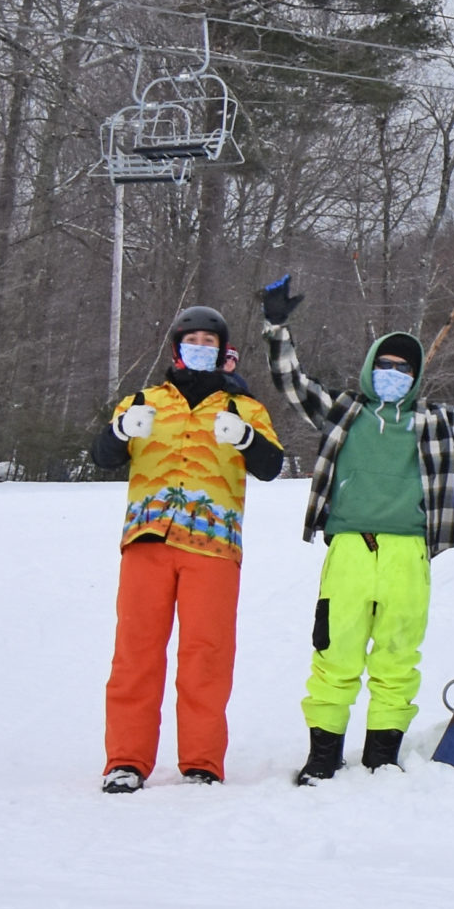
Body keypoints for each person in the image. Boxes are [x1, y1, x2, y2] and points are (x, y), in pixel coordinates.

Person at [259, 274, 454, 783]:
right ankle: (323, 754)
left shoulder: (432, 422)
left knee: (398, 654)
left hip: (408, 555)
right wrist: (276, 326)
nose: (392, 374)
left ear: (415, 376)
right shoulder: (344, 411)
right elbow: (293, 384)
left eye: (402, 369)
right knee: (334, 652)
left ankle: (382, 754)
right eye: (384, 366)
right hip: (349, 553)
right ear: (369, 370)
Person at [93, 305, 284, 792]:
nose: (201, 347)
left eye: (209, 340)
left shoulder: (246, 407)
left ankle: (201, 761)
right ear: (177, 346)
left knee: (207, 655)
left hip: (214, 547)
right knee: (136, 653)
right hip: (147, 540)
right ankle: (126, 760)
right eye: (192, 339)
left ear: (222, 351)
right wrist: (119, 432)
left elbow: (272, 465)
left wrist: (245, 438)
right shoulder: (142, 401)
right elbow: (101, 457)